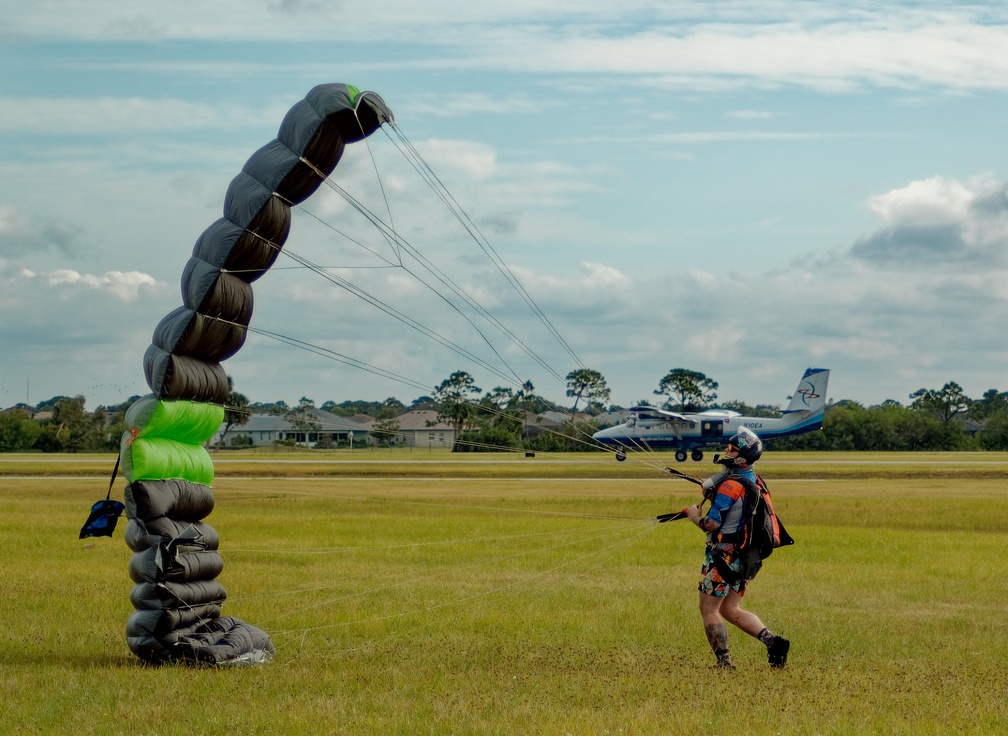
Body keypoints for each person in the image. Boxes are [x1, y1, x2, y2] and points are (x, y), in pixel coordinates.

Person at [685, 426, 790, 670]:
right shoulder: (755, 480)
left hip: (722, 556)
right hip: (744, 558)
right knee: (731, 609)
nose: (726, 451)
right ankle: (773, 642)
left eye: (732, 449)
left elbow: (711, 523)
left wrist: (693, 516)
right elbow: (739, 510)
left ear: (741, 457)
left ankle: (724, 663)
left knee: (709, 609)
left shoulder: (730, 486)